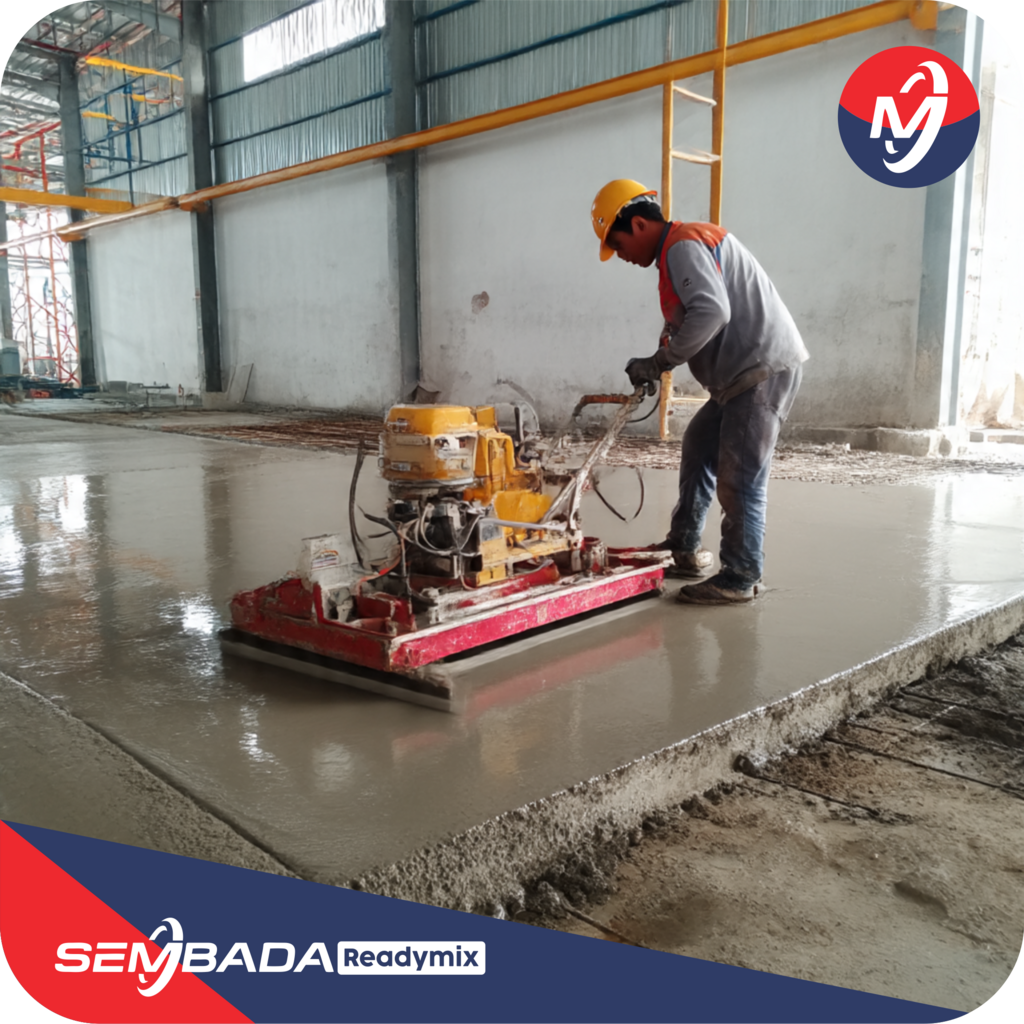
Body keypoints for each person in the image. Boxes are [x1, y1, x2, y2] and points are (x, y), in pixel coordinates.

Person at [591, 179, 809, 604]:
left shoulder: (682, 246)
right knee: (698, 445)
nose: (620, 255)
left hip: (759, 372)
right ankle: (684, 547)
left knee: (739, 476)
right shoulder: (678, 250)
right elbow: (691, 313)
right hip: (737, 379)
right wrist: (664, 347)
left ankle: (740, 576)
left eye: (617, 244)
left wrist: (660, 361)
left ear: (638, 225)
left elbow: (712, 311)